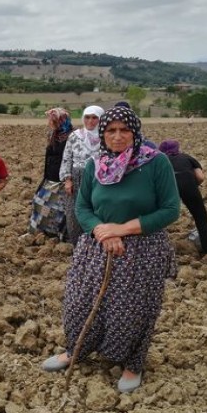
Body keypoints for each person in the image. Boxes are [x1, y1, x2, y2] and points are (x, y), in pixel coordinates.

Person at [42, 106, 180, 394]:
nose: (117, 136)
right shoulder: (95, 164)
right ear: (102, 134)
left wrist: (123, 229)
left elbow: (170, 210)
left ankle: (133, 362)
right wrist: (102, 232)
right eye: (110, 131)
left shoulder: (156, 163)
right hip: (97, 246)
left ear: (135, 132)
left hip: (142, 251)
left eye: (124, 130)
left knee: (134, 310)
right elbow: (83, 207)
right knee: (79, 303)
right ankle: (75, 350)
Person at [159, 139, 207, 256]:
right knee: (201, 217)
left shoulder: (159, 160)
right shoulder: (186, 157)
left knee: (160, 218)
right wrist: (192, 185)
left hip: (168, 188)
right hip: (188, 186)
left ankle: (161, 249)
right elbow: (200, 177)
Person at [59, 105, 104, 245]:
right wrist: (67, 180)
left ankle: (95, 245)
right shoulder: (75, 136)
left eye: (95, 118)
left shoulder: (106, 136)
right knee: (74, 214)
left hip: (97, 179)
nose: (90, 121)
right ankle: (77, 246)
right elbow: (67, 158)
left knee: (95, 211)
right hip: (76, 178)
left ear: (101, 119)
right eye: (87, 117)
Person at [28, 107, 73, 240]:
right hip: (50, 177)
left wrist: (68, 178)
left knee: (59, 209)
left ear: (60, 120)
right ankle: (41, 231)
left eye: (51, 119)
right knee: (40, 203)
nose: (49, 121)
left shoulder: (72, 136)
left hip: (62, 179)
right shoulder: (53, 134)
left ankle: (56, 234)